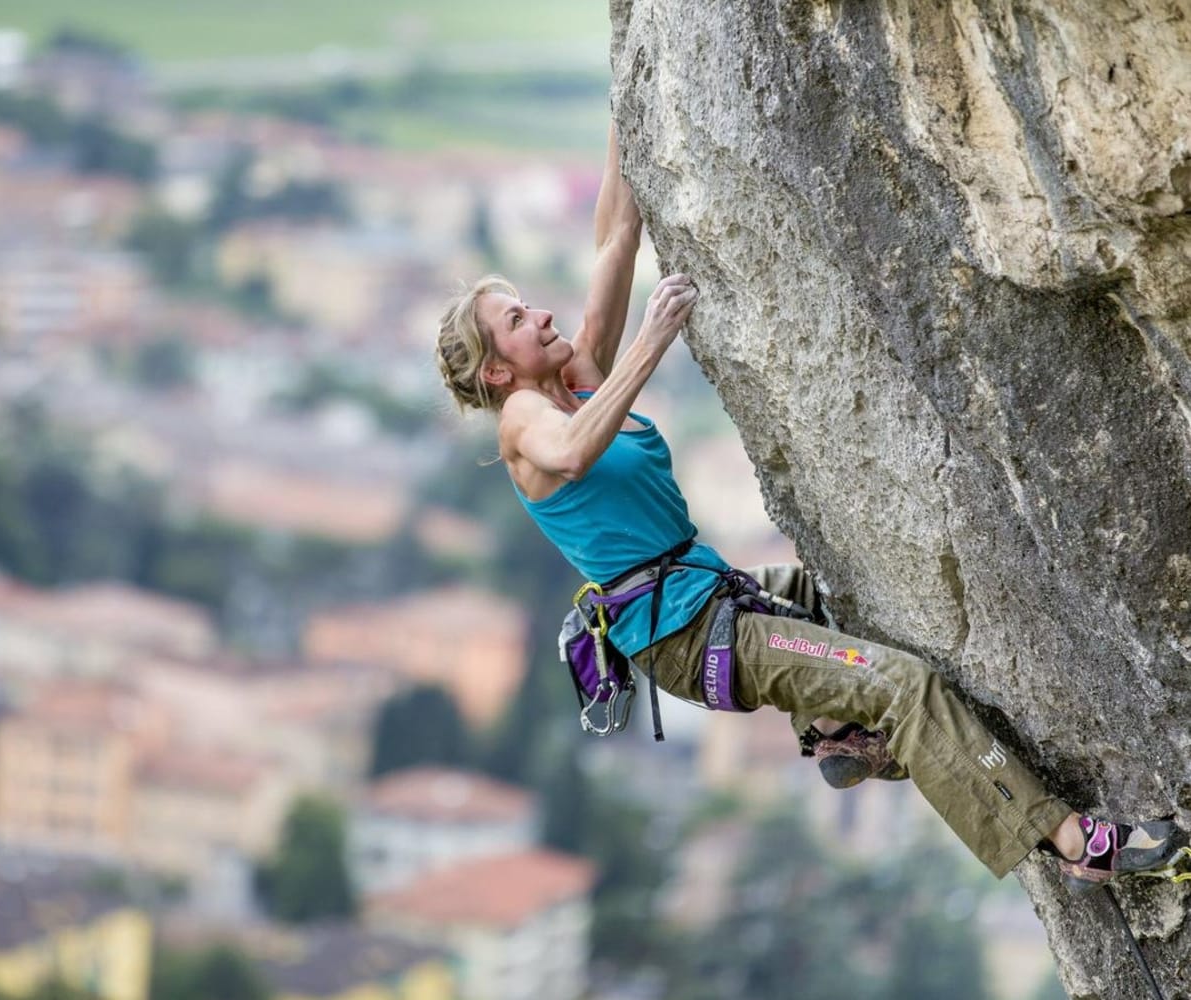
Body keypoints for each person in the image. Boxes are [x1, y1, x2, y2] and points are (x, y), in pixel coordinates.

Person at [432, 122, 1181, 893]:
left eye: (527, 306)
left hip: (708, 592)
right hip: (685, 634)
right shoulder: (526, 421)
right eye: (518, 322)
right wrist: (650, 342)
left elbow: (616, 235)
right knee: (904, 684)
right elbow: (572, 452)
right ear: (495, 371)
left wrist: (626, 107)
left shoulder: (579, 374)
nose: (542, 317)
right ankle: (1072, 839)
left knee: (849, 586)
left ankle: (830, 732)